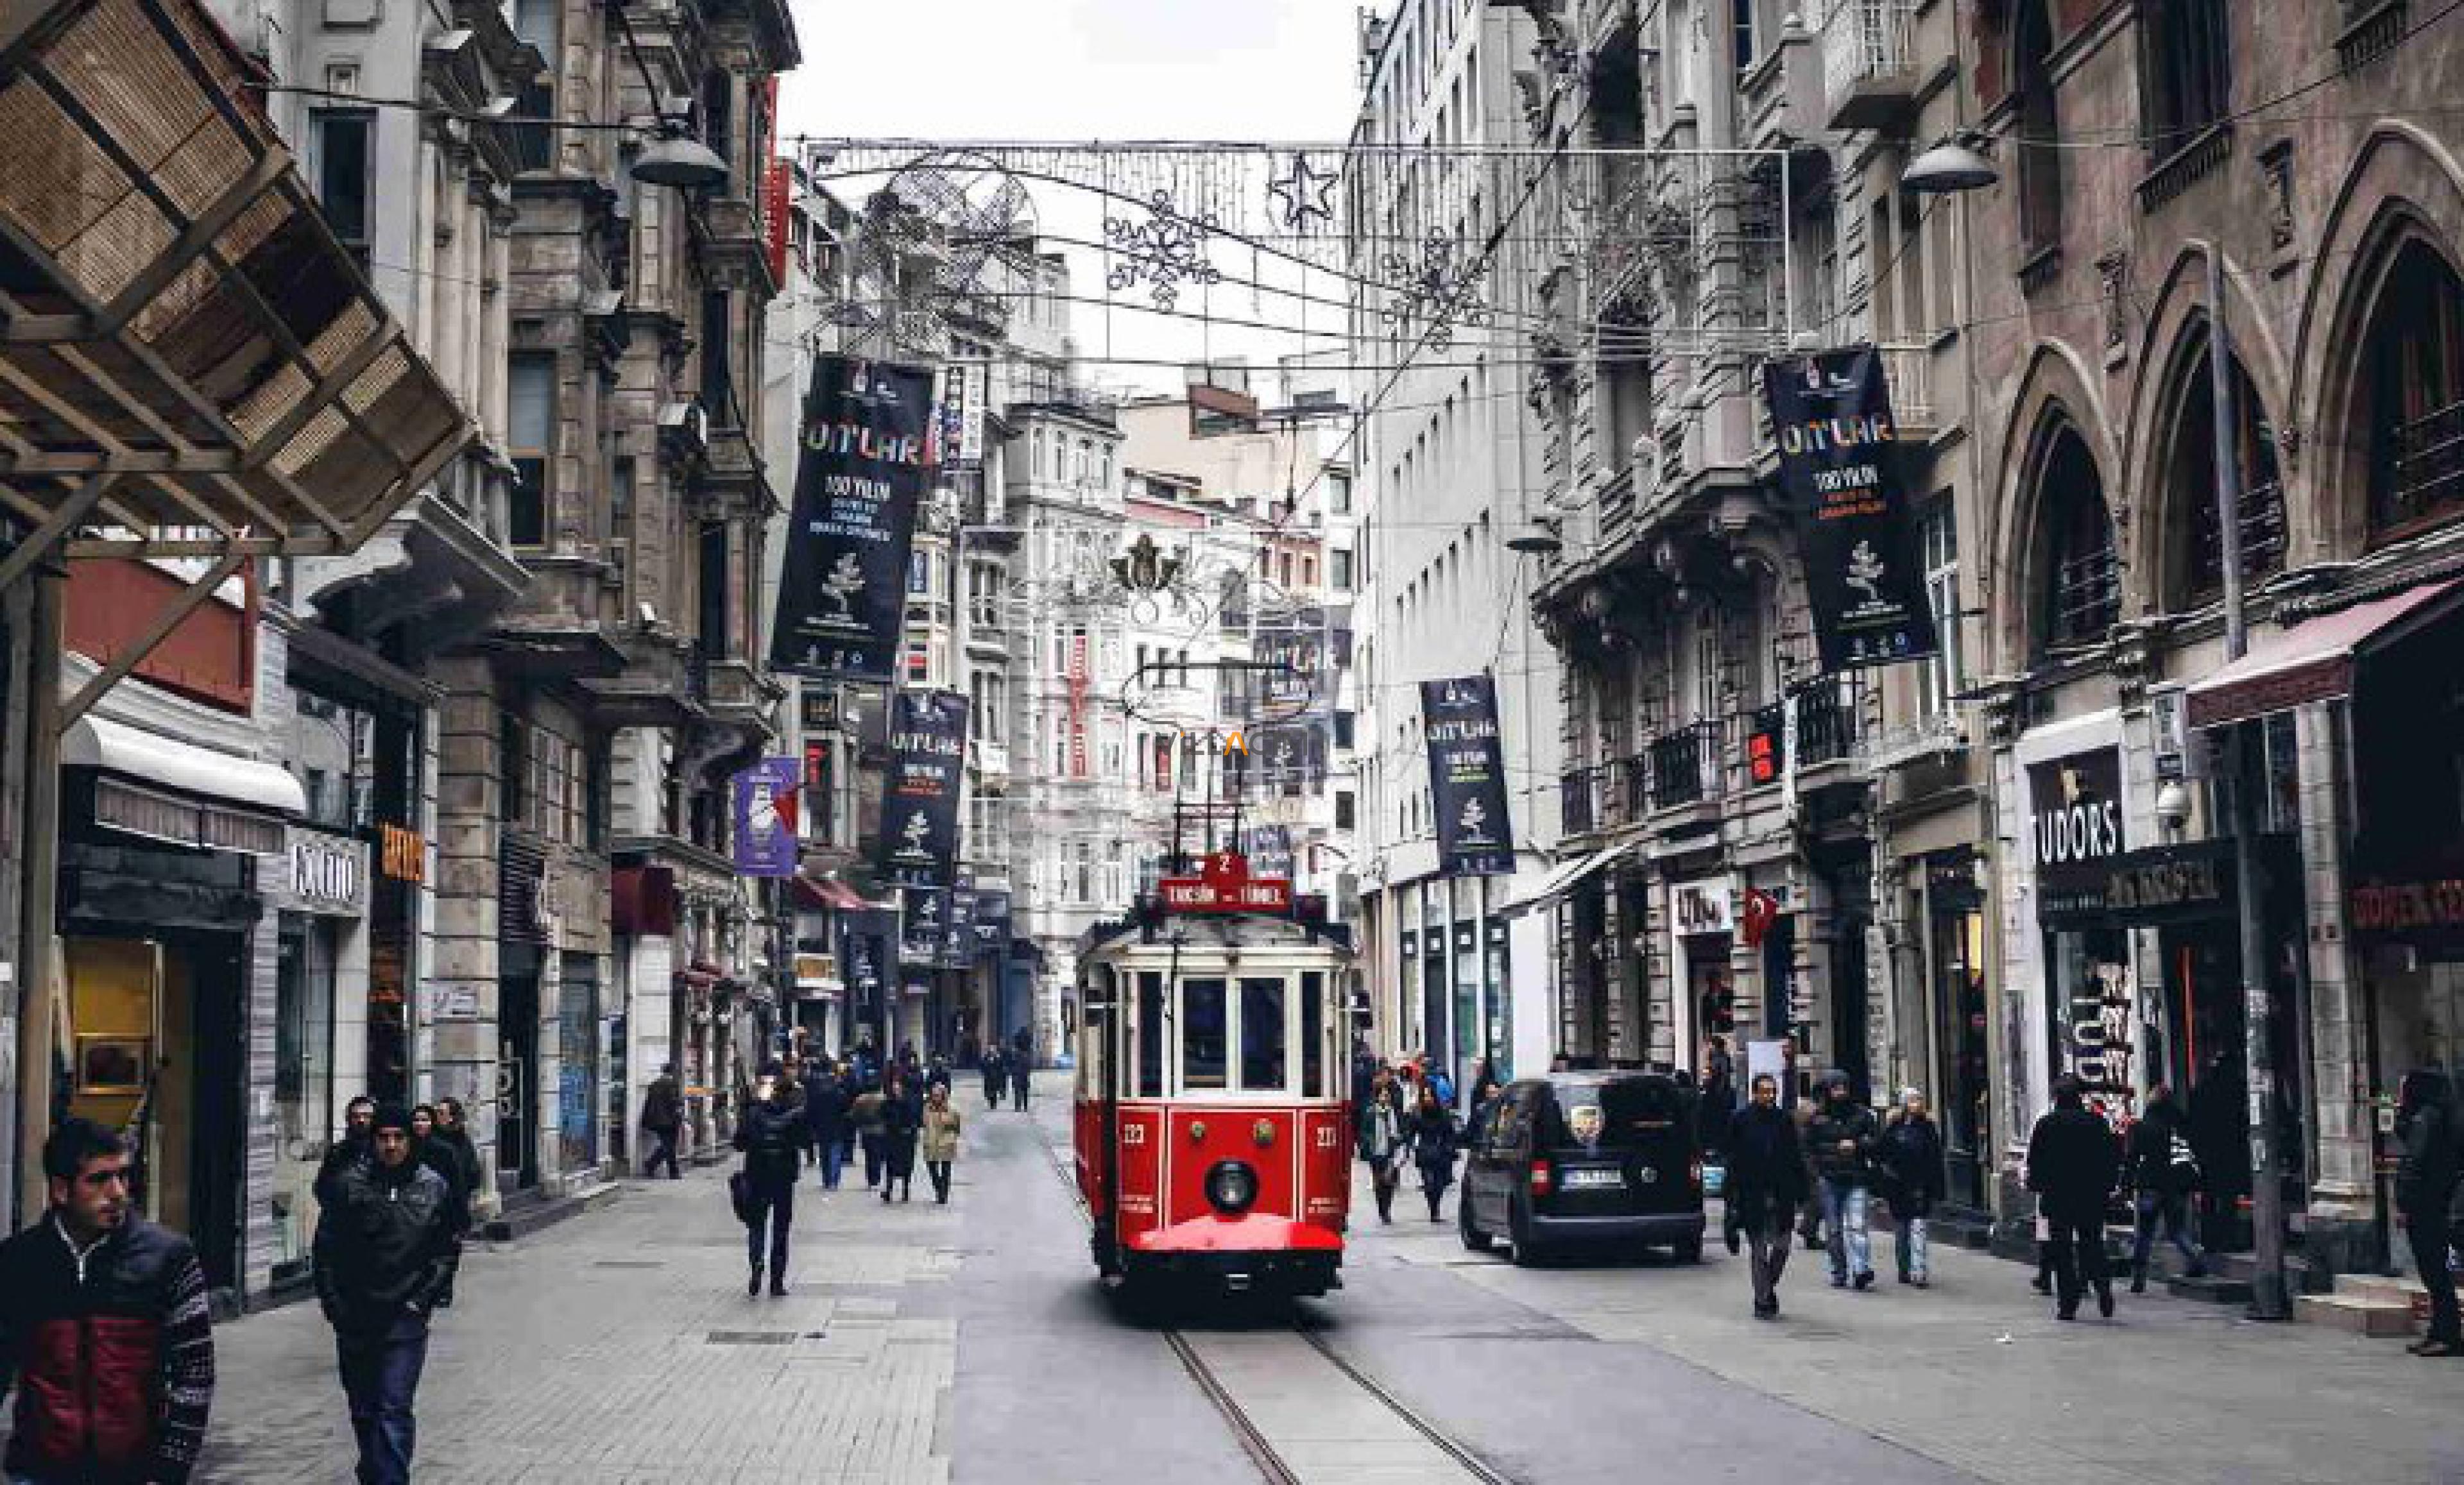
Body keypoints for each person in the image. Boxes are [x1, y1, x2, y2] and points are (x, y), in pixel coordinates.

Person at [0, 1117, 215, 1485]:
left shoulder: (168, 1258)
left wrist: (169, 1471)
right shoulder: (20, 1260)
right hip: (39, 1470)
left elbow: (194, 1373)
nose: (118, 1192)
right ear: (60, 1190)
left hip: (134, 1472)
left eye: (122, 1176)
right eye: (99, 1179)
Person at [315, 1103, 459, 1485]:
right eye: (384, 1138)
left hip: (405, 1316)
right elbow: (326, 1251)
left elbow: (445, 1249)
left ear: (411, 1142)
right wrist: (335, 1305)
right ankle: (374, 1470)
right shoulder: (349, 1186)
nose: (391, 1146)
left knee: (394, 1407)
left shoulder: (433, 1186)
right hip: (357, 1313)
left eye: (399, 1138)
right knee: (364, 1410)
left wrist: (423, 1299)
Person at [2026, 1074, 2123, 1321]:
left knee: (2063, 1251)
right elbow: (2110, 1159)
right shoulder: (2096, 1123)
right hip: (2090, 1196)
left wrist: (2037, 1186)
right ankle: (2103, 1289)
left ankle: (2068, 1303)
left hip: (2058, 1197)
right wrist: (2108, 1188)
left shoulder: (2047, 1125)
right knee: (2093, 1245)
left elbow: (2036, 1162)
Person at [1725, 1073, 1810, 1319]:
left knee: (1782, 1247)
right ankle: (1763, 1300)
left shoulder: (1784, 1120)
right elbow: (1732, 1159)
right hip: (1753, 1193)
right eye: (1765, 1091)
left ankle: (1767, 1285)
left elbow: (1795, 1155)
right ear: (1755, 1093)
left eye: (1773, 1091)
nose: (1770, 1096)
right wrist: (1731, 1196)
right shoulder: (1741, 1120)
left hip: (1782, 1192)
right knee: (1759, 1250)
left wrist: (1802, 1191)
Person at [2395, 1067, 2461, 1357]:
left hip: (2426, 1207)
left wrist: (2405, 1203)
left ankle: (2445, 1334)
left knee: (2435, 1274)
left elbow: (2414, 1164)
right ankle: (2441, 1332)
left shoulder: (2428, 1119)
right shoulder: (2435, 1116)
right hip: (2435, 1204)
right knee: (2436, 1275)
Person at [733, 1069, 809, 1296]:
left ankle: (756, 1264)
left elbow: (739, 1143)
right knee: (781, 1230)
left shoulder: (753, 1113)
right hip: (784, 1178)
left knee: (757, 1224)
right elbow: (805, 1142)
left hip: (757, 1174)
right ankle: (777, 1280)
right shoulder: (795, 1114)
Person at [2125, 1083, 2207, 1293]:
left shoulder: (2144, 1126)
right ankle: (2195, 1257)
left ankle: (2139, 1278)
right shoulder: (2180, 1124)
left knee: (2145, 1232)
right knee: (2176, 1229)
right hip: (2176, 1186)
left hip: (2151, 1184)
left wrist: (2126, 1183)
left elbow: (2132, 1158)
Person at [1804, 1072, 1881, 1291]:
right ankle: (1839, 1271)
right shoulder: (1818, 1118)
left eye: (1844, 1088)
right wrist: (1817, 1172)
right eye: (1836, 1089)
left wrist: (1858, 1145)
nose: (1841, 1093)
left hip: (1856, 1177)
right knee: (1834, 1229)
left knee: (1857, 1226)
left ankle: (1860, 1269)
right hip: (1829, 1179)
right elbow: (1808, 1148)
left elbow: (1876, 1142)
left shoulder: (1863, 1116)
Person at [1879, 1089, 1944, 1287]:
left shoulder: (1927, 1127)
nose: (1916, 1104)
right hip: (1898, 1185)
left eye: (1918, 1100)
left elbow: (1935, 1158)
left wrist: (1937, 1187)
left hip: (1920, 1185)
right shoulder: (1894, 1127)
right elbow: (1883, 1152)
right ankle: (1904, 1267)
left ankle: (1919, 1270)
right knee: (1902, 1230)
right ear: (1904, 1104)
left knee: (1918, 1228)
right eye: (1912, 1100)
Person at [1356, 1083, 1406, 1224]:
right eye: (1382, 1095)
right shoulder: (1371, 1112)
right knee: (1379, 1183)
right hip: (1376, 1153)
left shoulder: (1394, 1112)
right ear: (1377, 1097)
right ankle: (1382, 1209)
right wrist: (1369, 1143)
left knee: (1389, 1182)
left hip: (1390, 1152)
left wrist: (1399, 1140)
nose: (1385, 1097)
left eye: (1387, 1095)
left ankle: (1387, 1210)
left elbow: (1402, 1129)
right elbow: (1364, 1131)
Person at [316, 1094, 379, 1203]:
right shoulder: (336, 1152)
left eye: (367, 1116)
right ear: (348, 1120)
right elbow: (320, 1188)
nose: (361, 1120)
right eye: (356, 1116)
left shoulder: (384, 1151)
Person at [1410, 1085, 1459, 1222]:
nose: (1428, 1099)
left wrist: (1450, 1148)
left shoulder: (1443, 1113)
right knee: (1429, 1183)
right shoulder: (1418, 1114)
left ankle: (1435, 1207)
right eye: (1425, 1096)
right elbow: (1411, 1133)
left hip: (1441, 1152)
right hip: (1425, 1151)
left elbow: (1450, 1133)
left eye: (1430, 1096)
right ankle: (1433, 1210)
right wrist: (1409, 1147)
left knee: (1439, 1184)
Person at [804, 1062, 850, 1191]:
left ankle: (826, 1180)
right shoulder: (840, 1094)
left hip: (822, 1129)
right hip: (837, 1128)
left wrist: (813, 1127)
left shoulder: (818, 1095)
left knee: (824, 1155)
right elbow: (846, 1110)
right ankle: (834, 1181)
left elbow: (812, 1112)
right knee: (835, 1155)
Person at [880, 1071, 923, 1203]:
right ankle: (889, 1191)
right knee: (891, 1165)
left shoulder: (911, 1100)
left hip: (906, 1137)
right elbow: (883, 1115)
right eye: (894, 1086)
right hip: (893, 1138)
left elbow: (916, 1118)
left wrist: (912, 1129)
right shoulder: (889, 1101)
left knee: (906, 1165)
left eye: (898, 1086)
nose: (896, 1088)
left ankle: (905, 1191)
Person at [921, 1083, 964, 1204]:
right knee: (932, 1169)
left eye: (938, 1095)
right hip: (931, 1141)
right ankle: (939, 1188)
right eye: (934, 1095)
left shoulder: (952, 1110)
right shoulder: (926, 1108)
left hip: (946, 1142)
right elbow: (923, 1123)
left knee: (946, 1169)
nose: (935, 1098)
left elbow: (957, 1126)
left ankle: (943, 1194)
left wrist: (953, 1137)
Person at [641, 1065, 684, 1180]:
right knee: (669, 1146)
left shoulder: (654, 1084)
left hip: (656, 1120)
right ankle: (654, 1165)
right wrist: (680, 1115)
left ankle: (668, 1170)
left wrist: (645, 1120)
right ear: (673, 1072)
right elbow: (674, 1102)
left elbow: (648, 1103)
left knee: (668, 1146)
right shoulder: (672, 1084)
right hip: (670, 1121)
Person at [1698, 1037, 1738, 1160]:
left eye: (1711, 1045)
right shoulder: (1716, 1058)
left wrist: (1717, 1092)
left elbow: (1723, 1078)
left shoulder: (1721, 1059)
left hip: (1719, 1097)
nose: (1709, 1047)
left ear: (1716, 1046)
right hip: (1716, 1095)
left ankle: (1718, 1149)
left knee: (1718, 1123)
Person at [851, 1078, 889, 1189]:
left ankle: (871, 1179)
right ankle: (876, 1179)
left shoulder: (860, 1100)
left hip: (865, 1130)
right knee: (879, 1155)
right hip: (881, 1130)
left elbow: (854, 1115)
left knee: (869, 1156)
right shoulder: (884, 1099)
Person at [1010, 1030, 1032, 1111]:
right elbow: (1029, 1067)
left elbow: (1011, 1064)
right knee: (1024, 1091)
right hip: (1024, 1074)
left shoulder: (1015, 1055)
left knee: (1018, 1090)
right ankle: (1025, 1106)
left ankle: (1018, 1106)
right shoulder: (1027, 1055)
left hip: (1017, 1074)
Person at [980, 1046, 1006, 1110]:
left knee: (994, 1091)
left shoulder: (998, 1059)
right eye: (990, 1051)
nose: (991, 1053)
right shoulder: (985, 1058)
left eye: (993, 1051)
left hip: (995, 1077)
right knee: (988, 1091)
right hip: (988, 1077)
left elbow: (1001, 1068)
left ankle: (993, 1104)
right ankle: (990, 1100)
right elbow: (982, 1067)